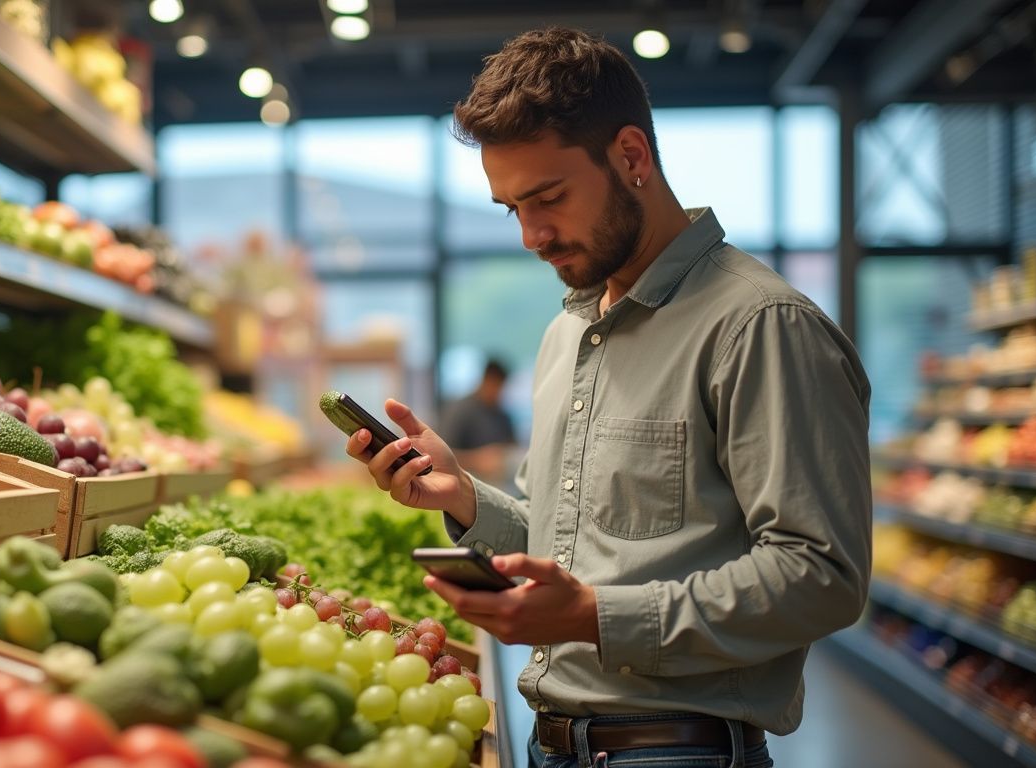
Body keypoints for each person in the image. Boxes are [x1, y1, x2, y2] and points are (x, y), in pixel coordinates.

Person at [344, 27, 871, 768]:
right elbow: (570, 549)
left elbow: (822, 576)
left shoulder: (761, 327)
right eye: (510, 208)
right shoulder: (570, 333)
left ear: (631, 157)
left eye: (549, 197)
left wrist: (596, 616)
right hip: (550, 744)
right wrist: (462, 498)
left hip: (677, 752)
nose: (531, 235)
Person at [438, 358, 517, 486]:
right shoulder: (460, 411)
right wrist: (477, 460)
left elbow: (511, 450)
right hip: (464, 484)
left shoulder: (503, 416)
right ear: (486, 380)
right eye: (496, 385)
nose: (498, 392)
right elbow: (441, 455)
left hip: (498, 485)